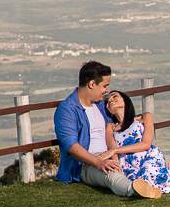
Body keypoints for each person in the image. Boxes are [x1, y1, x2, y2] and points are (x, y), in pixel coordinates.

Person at [53, 60, 161, 198]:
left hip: (112, 153)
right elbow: (72, 147)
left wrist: (140, 118)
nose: (107, 91)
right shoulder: (67, 110)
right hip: (88, 163)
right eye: (105, 86)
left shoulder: (100, 106)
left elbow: (119, 122)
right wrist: (98, 162)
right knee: (112, 174)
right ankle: (135, 189)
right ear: (92, 84)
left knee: (155, 156)